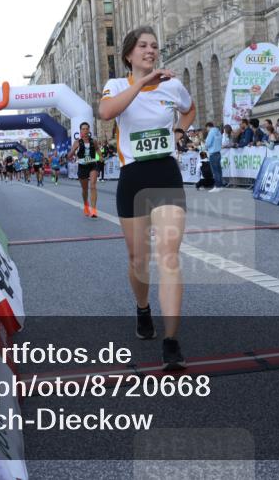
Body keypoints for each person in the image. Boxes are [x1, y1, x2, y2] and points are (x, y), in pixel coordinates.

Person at [99, 25, 195, 370]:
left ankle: (171, 340)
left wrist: (180, 130)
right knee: (137, 258)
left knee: (168, 255)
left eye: (154, 46)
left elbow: (189, 108)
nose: (150, 50)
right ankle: (143, 309)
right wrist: (142, 82)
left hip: (165, 173)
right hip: (134, 177)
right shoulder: (117, 86)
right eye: (142, 46)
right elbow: (107, 113)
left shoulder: (173, 86)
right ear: (129, 54)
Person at [68, 122, 101, 217]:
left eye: (87, 129)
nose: (85, 131)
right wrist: (73, 152)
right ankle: (86, 204)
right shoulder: (77, 142)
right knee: (85, 189)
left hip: (92, 165)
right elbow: (70, 155)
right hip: (82, 167)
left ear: (89, 130)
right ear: (80, 131)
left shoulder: (93, 141)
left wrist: (101, 157)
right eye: (83, 129)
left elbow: (98, 149)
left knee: (93, 186)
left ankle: (94, 210)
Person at [204, 121, 224, 191]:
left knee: (215, 171)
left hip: (213, 153)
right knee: (219, 170)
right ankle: (220, 185)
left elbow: (208, 143)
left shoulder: (211, 132)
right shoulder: (218, 132)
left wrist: (205, 146)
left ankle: (217, 186)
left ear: (208, 127)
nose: (206, 130)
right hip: (218, 153)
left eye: (206, 128)